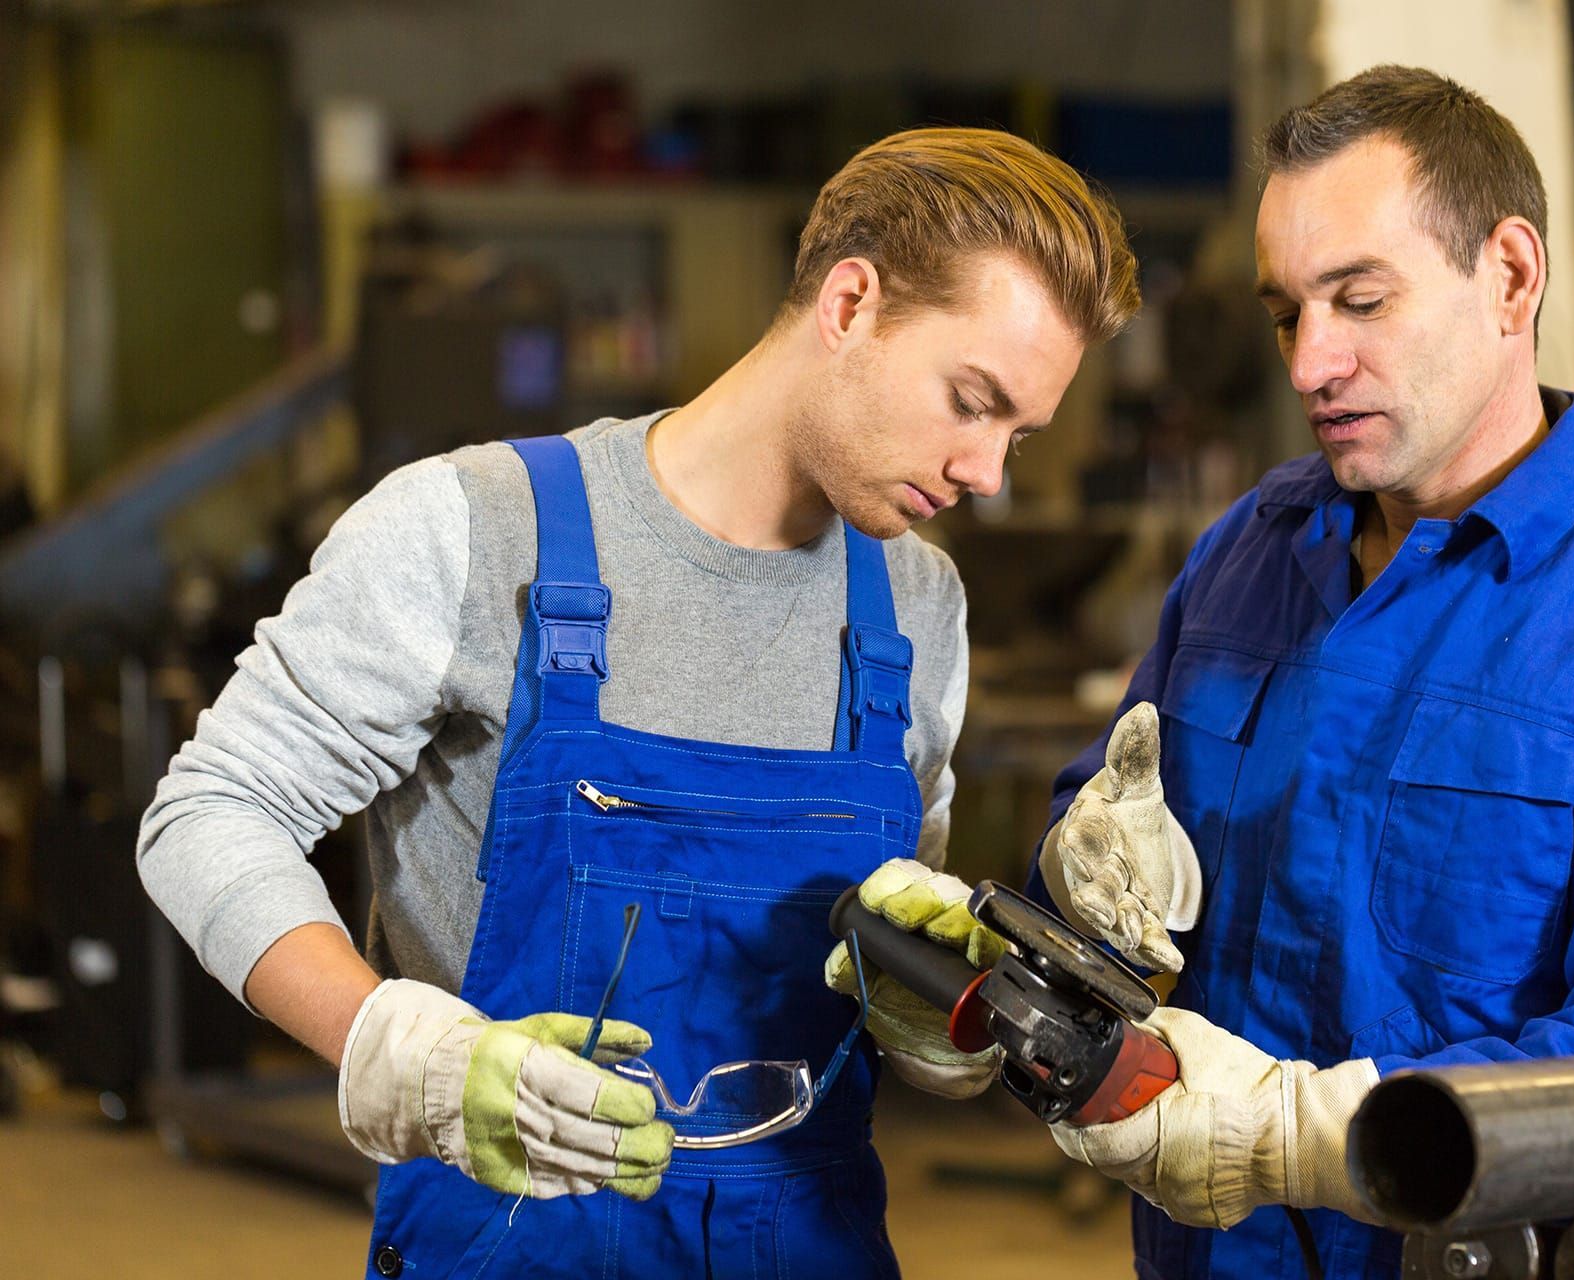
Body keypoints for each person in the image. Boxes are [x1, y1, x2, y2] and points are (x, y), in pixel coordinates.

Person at [137, 126, 1138, 1278]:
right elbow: (210, 811)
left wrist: (941, 1019)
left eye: (1020, 432)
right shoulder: (472, 528)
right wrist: (392, 1043)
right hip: (510, 1241)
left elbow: (889, 948)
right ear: (851, 302)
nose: (988, 474)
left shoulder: (919, 605)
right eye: (973, 400)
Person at [1029, 66, 1574, 1280]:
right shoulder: (1249, 551)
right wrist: (1075, 868)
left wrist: (1308, 1138)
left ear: (1510, 276)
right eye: (1287, 313)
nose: (1308, 363)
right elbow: (1109, 823)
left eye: (1359, 300)